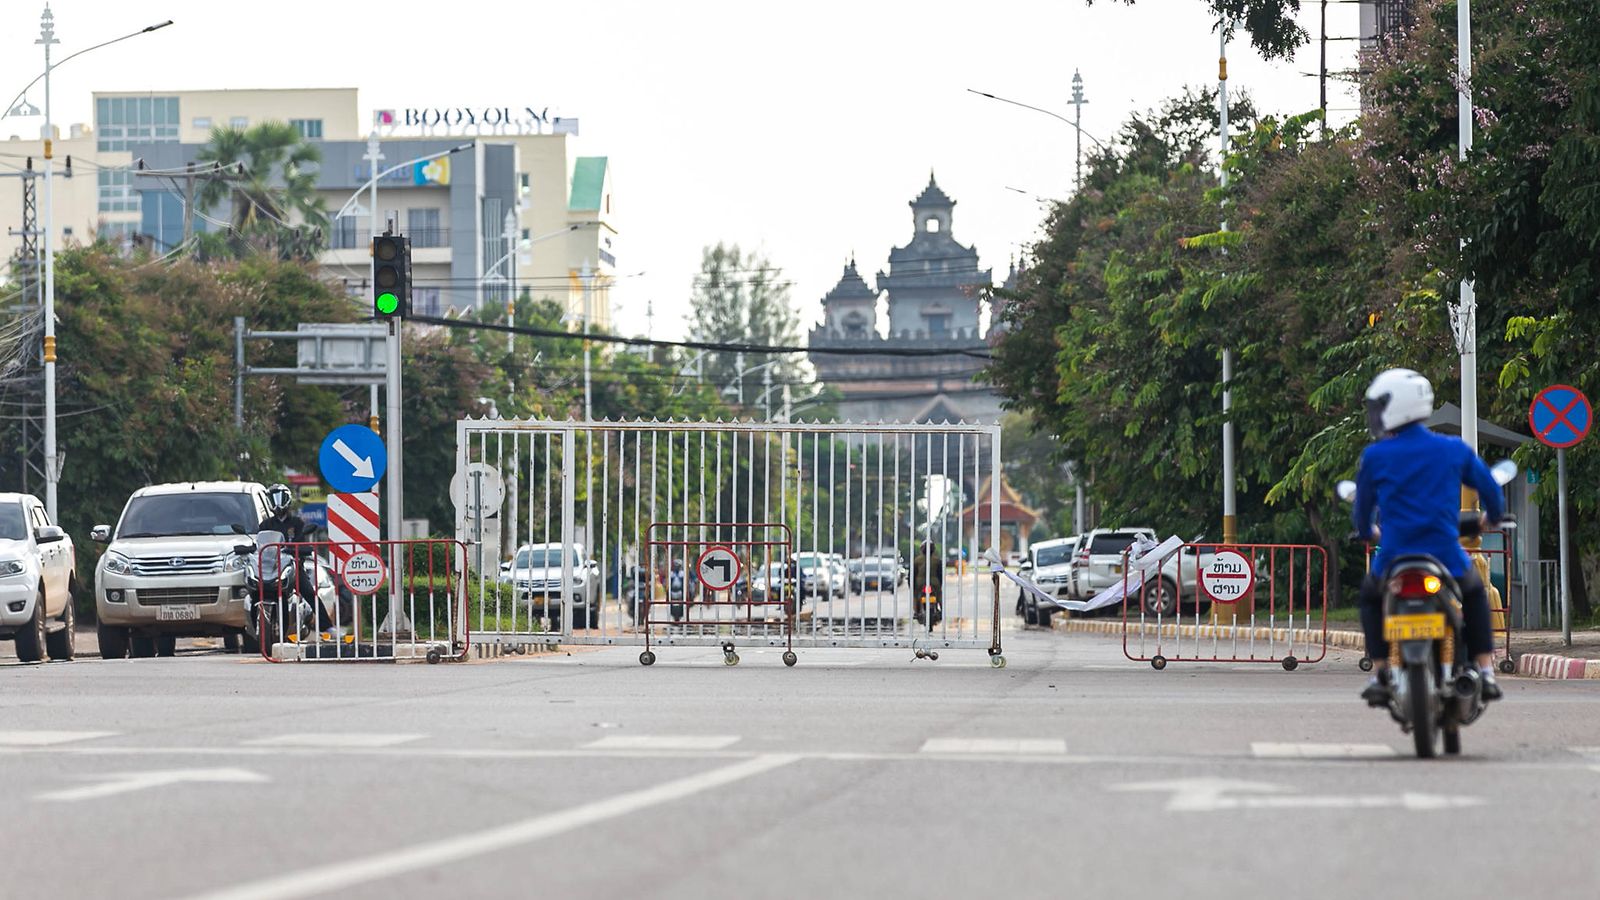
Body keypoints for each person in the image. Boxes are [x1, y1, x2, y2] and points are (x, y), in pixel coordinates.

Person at [1353, 368, 1506, 705]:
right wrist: (1491, 518)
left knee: (1369, 598)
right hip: (1444, 554)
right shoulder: (1452, 449)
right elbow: (1492, 491)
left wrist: (1367, 532)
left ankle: (1380, 670)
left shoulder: (1376, 456)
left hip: (1393, 555)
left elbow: (1362, 513)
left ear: (1395, 407)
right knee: (1475, 595)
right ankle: (1484, 669)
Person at [910, 540, 944, 627]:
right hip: (934, 583)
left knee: (916, 596)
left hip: (920, 584)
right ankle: (942, 610)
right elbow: (940, 574)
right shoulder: (937, 560)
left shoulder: (917, 560)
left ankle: (916, 612)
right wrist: (939, 584)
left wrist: (911, 585)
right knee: (939, 596)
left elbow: (912, 574)